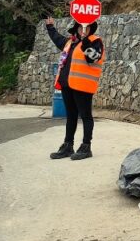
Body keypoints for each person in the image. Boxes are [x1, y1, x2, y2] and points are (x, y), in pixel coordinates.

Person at [45, 17, 105, 160]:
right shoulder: (70, 42)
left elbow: (94, 58)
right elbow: (57, 39)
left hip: (83, 86)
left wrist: (85, 42)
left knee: (85, 116)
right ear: (76, 29)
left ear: (91, 29)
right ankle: (68, 146)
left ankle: (86, 147)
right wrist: (50, 27)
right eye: (80, 27)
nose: (83, 30)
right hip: (67, 84)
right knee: (71, 116)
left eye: (87, 28)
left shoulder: (95, 41)